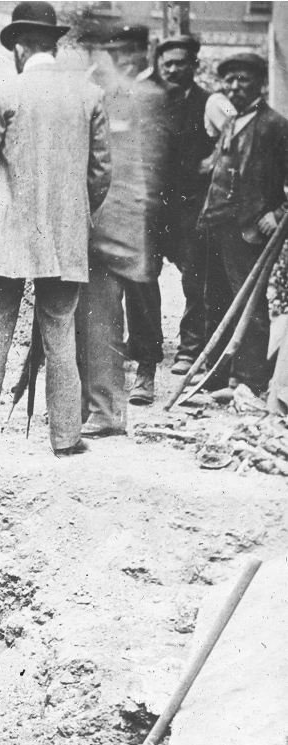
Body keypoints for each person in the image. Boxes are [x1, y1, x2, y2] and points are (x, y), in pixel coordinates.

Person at [0, 0, 111, 456]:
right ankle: (67, 439)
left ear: (22, 47)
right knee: (60, 334)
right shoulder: (89, 96)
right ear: (51, 44)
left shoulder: (5, 92)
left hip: (4, 236)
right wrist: (70, 216)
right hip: (63, 239)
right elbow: (100, 176)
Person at [77, 29, 168, 438]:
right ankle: (100, 407)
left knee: (125, 320)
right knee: (99, 321)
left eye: (125, 52)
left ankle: (111, 407)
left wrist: (140, 231)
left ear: (139, 54)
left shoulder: (149, 96)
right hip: (105, 226)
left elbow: (152, 173)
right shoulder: (110, 93)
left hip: (131, 229)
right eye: (114, 52)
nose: (119, 60)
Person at [124, 36, 215, 405]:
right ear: (158, 65)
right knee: (141, 283)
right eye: (168, 63)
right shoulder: (142, 97)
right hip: (149, 208)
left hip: (190, 211)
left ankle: (190, 351)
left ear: (194, 64)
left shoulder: (210, 103)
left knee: (197, 279)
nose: (175, 69)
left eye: (182, 62)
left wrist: (212, 162)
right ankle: (146, 365)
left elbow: (233, 140)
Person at [197, 52, 288, 398]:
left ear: (260, 83)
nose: (235, 86)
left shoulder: (274, 125)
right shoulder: (231, 121)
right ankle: (217, 377)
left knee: (249, 303)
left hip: (249, 229)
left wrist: (278, 214)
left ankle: (250, 381)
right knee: (215, 301)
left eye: (243, 79)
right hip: (217, 224)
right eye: (230, 79)